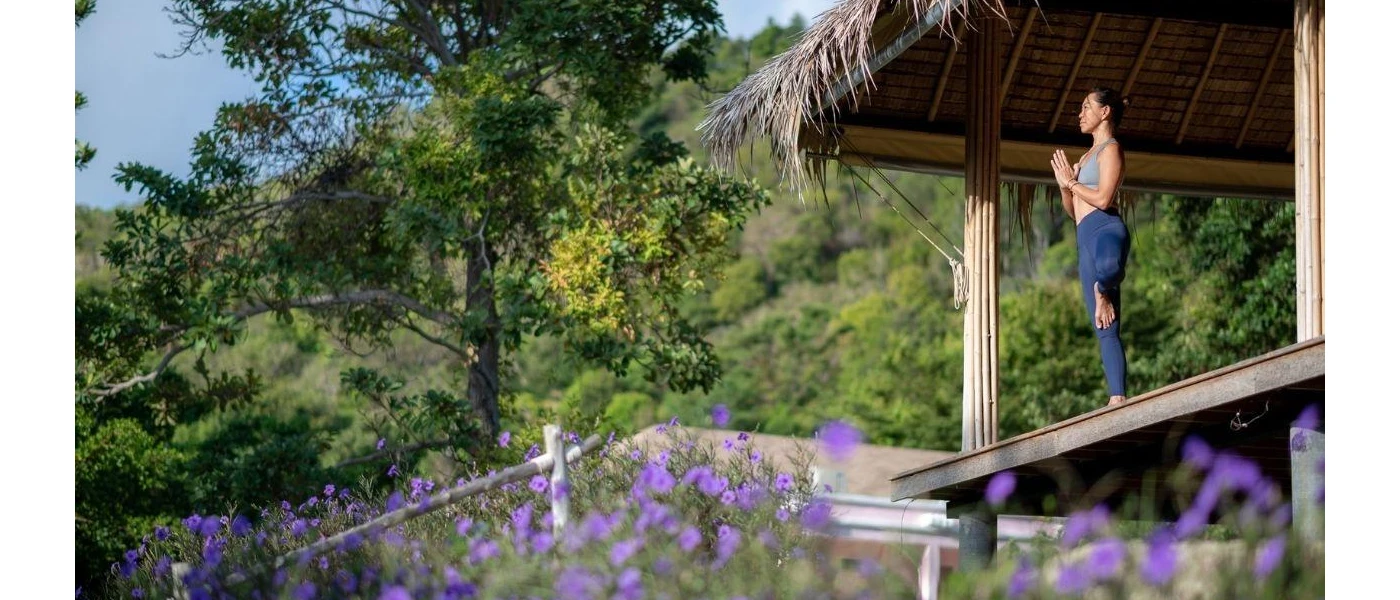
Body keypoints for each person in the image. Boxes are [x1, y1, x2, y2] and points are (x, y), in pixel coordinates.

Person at [1050, 87, 1132, 406]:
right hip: (1084, 238)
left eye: (1086, 107)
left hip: (1106, 231)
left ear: (1105, 112)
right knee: (1104, 325)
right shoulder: (1083, 159)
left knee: (1110, 269)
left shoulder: (1110, 150)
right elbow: (1074, 213)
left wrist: (1072, 182)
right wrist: (1064, 188)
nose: (1080, 113)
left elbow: (1102, 199)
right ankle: (1117, 398)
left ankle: (1103, 287)